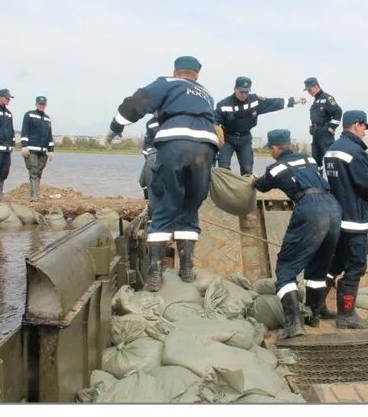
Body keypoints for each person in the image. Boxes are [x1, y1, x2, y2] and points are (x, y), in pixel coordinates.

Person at [105, 56, 218, 291]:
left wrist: (115, 127)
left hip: (176, 143)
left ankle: (155, 273)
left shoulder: (168, 82)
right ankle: (186, 268)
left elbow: (136, 103)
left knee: (166, 202)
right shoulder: (205, 93)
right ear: (196, 75)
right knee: (190, 205)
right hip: (206, 148)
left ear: (176, 72)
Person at [253, 129, 342, 338]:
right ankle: (314, 315)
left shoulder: (276, 168)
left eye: (270, 149)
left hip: (310, 209)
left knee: (285, 269)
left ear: (275, 148)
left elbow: (262, 186)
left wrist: (253, 180)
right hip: (333, 208)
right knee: (319, 267)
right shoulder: (309, 159)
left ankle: (293, 323)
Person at [323, 110, 368, 329]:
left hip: (337, 217)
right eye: (364, 127)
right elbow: (365, 184)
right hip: (355, 220)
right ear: (356, 125)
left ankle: (318, 306)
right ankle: (346, 315)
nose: (365, 131)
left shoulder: (331, 150)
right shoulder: (355, 151)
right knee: (356, 265)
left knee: (335, 263)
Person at [215, 76, 307, 176]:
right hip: (227, 139)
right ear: (235, 89)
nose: (244, 94)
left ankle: (245, 191)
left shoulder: (255, 101)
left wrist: (293, 101)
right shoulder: (223, 105)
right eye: (241, 91)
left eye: (246, 91)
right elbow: (214, 122)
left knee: (247, 169)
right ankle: (224, 190)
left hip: (245, 139)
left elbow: (274, 103)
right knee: (223, 168)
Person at [20, 96, 55, 201]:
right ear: (36, 104)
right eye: (40, 104)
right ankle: (34, 196)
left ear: (46, 105)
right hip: (31, 149)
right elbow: (24, 131)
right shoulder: (29, 115)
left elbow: (49, 135)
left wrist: (51, 150)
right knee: (34, 171)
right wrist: (24, 146)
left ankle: (35, 194)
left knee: (39, 172)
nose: (41, 105)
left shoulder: (47, 119)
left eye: (43, 104)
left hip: (43, 151)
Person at [304, 77, 342, 171]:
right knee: (316, 160)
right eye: (307, 90)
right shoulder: (316, 100)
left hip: (325, 133)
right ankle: (319, 182)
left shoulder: (327, 98)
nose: (309, 92)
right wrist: (313, 128)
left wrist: (331, 128)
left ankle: (335, 181)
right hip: (316, 133)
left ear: (316, 86)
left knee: (330, 158)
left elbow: (338, 112)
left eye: (310, 89)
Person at [138, 112, 160, 220]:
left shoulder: (171, 120)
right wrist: (149, 154)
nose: (155, 112)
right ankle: (147, 199)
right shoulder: (150, 123)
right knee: (142, 181)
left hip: (165, 156)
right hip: (152, 156)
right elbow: (147, 143)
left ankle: (153, 215)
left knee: (154, 185)